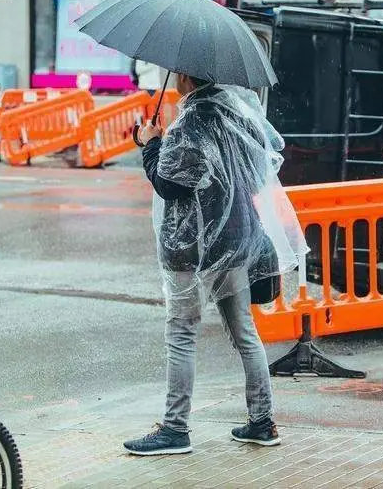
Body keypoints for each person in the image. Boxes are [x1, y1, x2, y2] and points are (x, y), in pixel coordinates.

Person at [123, 73, 307, 456]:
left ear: (186, 77)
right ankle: (261, 421)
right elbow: (257, 176)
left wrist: (150, 144)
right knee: (244, 332)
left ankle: (174, 430)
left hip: (191, 249)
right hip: (236, 242)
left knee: (182, 333)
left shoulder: (191, 123)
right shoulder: (237, 117)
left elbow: (170, 184)